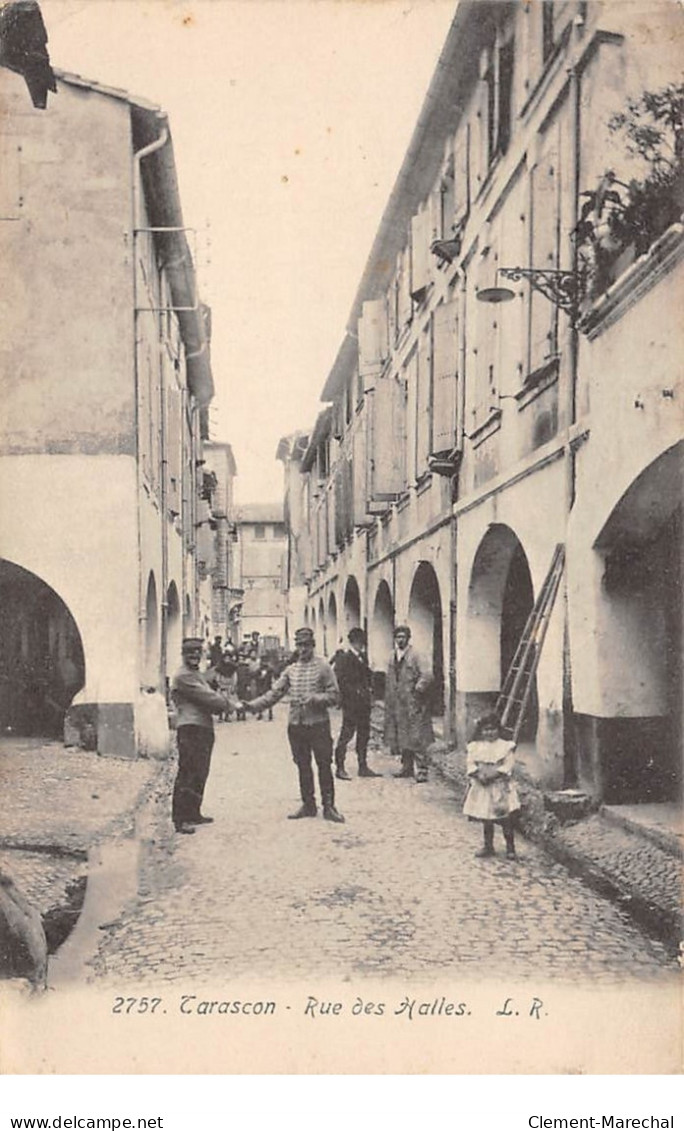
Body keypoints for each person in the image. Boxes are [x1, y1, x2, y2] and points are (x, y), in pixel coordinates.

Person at [245, 626, 345, 823]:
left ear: (313, 646)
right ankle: (308, 804)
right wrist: (252, 706)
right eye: (300, 645)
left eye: (306, 645)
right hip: (296, 726)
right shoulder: (290, 670)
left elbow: (335, 696)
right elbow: (274, 693)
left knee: (324, 764)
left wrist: (316, 698)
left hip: (318, 725)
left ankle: (329, 806)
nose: (303, 649)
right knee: (302, 765)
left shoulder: (324, 667)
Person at [171, 636, 240, 834]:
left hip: (202, 727)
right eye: (189, 653)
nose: (194, 656)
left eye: (197, 652)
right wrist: (230, 705)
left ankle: (193, 812)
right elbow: (207, 696)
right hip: (190, 728)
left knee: (200, 771)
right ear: (183, 655)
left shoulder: (196, 673)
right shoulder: (183, 676)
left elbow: (209, 696)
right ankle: (180, 819)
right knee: (187, 772)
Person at [463, 713, 520, 860]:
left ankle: (510, 848)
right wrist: (478, 775)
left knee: (505, 818)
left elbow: (508, 765)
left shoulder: (505, 746)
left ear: (498, 730)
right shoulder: (475, 747)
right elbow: (470, 763)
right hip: (483, 786)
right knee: (486, 818)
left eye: (493, 729)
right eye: (486, 729)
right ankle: (488, 846)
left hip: (499, 786)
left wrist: (495, 774)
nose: (489, 732)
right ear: (481, 731)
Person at [383, 624, 434, 783]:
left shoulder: (416, 655)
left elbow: (427, 675)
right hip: (398, 703)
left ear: (408, 638)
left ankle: (422, 770)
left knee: (417, 735)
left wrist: (418, 690)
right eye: (398, 637)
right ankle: (407, 767)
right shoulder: (392, 656)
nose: (400, 640)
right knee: (402, 734)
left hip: (414, 702)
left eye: (403, 637)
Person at [332, 627, 380, 780]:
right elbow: (340, 681)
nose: (360, 645)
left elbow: (366, 676)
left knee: (364, 735)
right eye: (358, 642)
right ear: (353, 642)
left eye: (361, 642)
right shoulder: (344, 658)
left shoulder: (363, 657)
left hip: (364, 704)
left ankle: (363, 766)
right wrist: (353, 693)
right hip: (351, 704)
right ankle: (340, 767)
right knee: (346, 735)